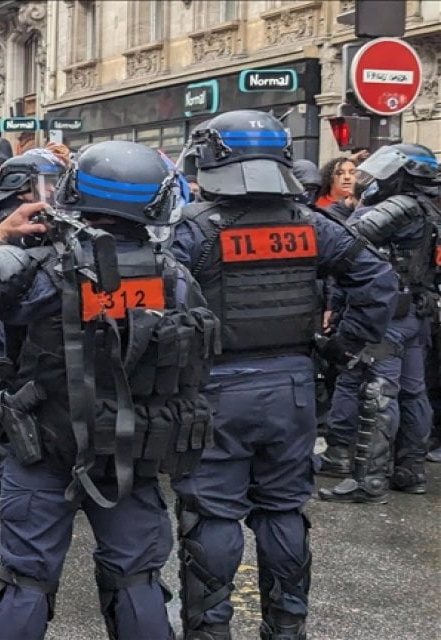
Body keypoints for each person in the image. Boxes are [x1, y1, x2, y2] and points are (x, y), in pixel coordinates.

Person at [0, 140, 219, 640]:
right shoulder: (173, 277)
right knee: (136, 579)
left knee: (26, 578)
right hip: (130, 447)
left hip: (39, 447)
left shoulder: (32, 267)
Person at [170, 110, 396, 640]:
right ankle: (286, 627)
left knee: (213, 514)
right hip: (293, 386)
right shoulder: (312, 224)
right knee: (283, 509)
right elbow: (377, 284)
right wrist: (340, 348)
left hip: (215, 388)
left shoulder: (195, 230)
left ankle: (210, 630)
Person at [318, 144, 439, 502]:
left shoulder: (397, 207)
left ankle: (366, 479)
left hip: (385, 312)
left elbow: (347, 248)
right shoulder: (430, 207)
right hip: (416, 310)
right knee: (413, 390)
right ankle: (409, 470)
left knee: (376, 389)